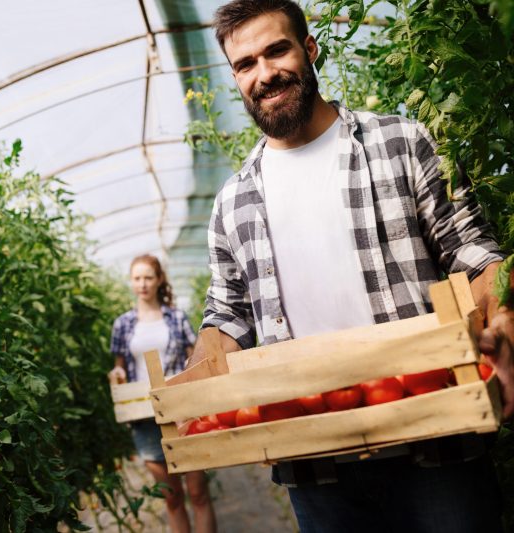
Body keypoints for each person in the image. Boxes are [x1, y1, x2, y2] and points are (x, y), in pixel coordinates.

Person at [186, 1, 514, 531]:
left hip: (436, 437)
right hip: (315, 465)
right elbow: (227, 318)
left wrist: (503, 319)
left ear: (310, 49)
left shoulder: (400, 144)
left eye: (277, 50)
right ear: (235, 78)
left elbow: (473, 253)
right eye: (246, 64)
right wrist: (195, 383)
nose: (264, 74)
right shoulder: (233, 203)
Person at [109, 254, 217, 533]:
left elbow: (193, 359)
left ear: (159, 281)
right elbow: (119, 368)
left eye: (148, 277)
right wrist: (117, 376)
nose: (142, 284)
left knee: (198, 493)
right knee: (172, 499)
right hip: (144, 418)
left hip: (181, 412)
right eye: (137, 278)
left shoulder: (177, 318)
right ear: (131, 282)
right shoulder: (122, 325)